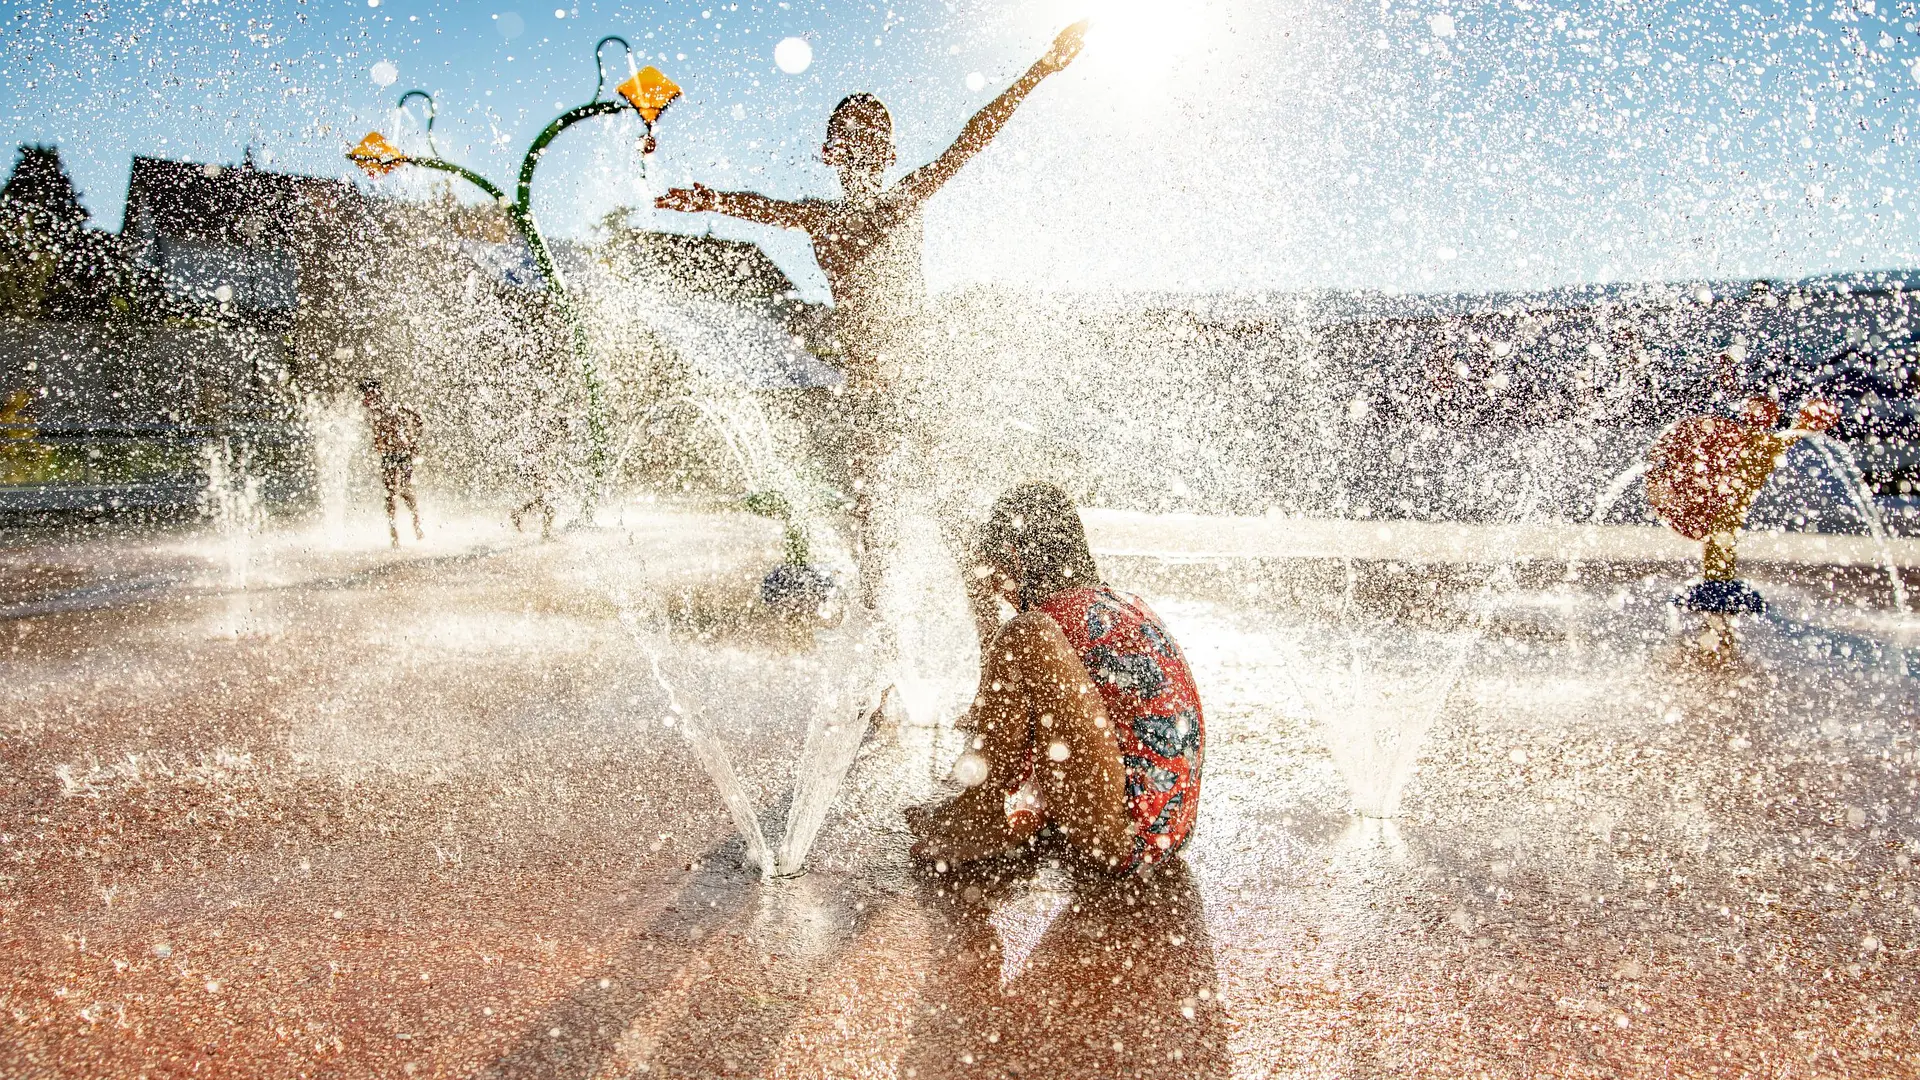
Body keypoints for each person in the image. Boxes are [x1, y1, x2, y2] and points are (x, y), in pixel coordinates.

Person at [654, 21, 1088, 585]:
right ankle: (887, 651)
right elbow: (754, 205)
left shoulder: (905, 198)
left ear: (887, 153)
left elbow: (973, 137)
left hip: (921, 379)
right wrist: (699, 199)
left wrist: (1041, 68)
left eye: (870, 136)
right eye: (848, 136)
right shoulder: (821, 218)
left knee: (956, 522)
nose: (859, 147)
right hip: (866, 389)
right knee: (871, 530)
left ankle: (988, 638)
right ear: (831, 152)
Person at [907, 483, 1205, 872]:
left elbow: (1009, 739)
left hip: (1119, 835)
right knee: (1025, 638)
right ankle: (977, 811)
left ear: (1014, 558)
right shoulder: (1109, 607)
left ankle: (981, 816)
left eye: (995, 572)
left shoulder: (1051, 626)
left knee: (1022, 633)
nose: (996, 590)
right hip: (1164, 829)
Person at [359, 379, 425, 547]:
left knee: (404, 489)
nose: (366, 399)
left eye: (368, 394)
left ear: (376, 393)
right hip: (388, 455)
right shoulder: (372, 410)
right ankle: (394, 535)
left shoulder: (393, 406)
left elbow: (417, 418)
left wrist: (413, 441)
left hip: (402, 453)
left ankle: (417, 525)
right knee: (390, 493)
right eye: (365, 396)